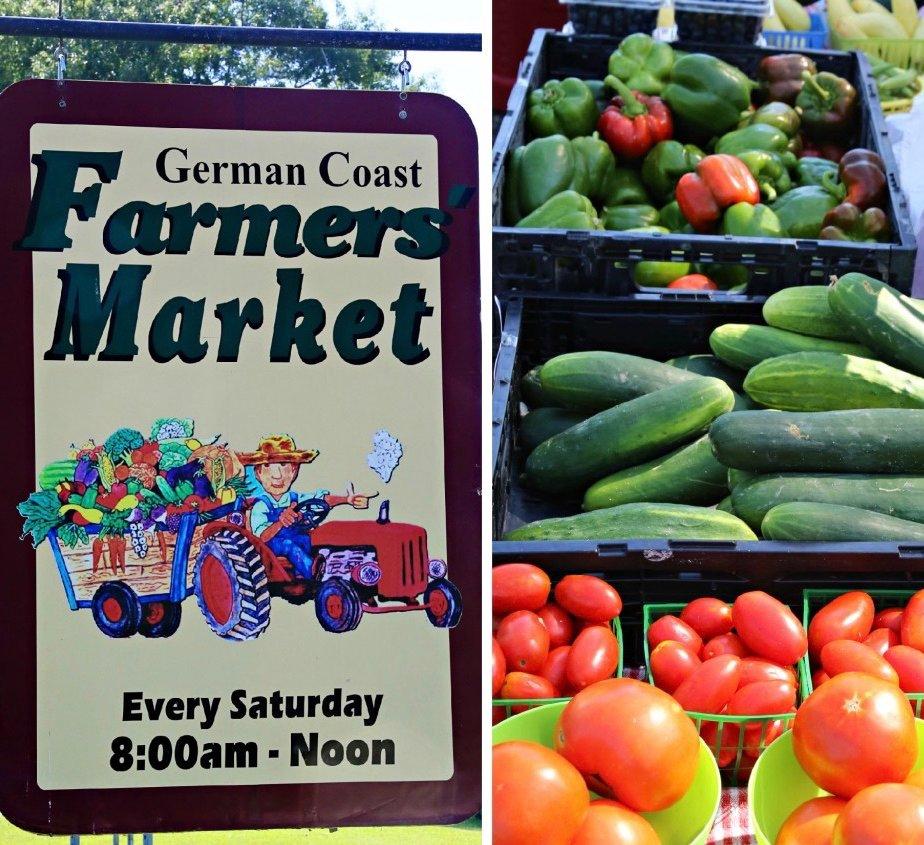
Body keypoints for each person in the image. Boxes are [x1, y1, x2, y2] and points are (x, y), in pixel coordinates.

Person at [238, 435, 375, 579]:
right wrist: (280, 522)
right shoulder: (261, 505)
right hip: (269, 548)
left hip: (297, 539)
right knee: (288, 544)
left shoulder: (296, 498)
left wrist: (347, 499)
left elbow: (322, 500)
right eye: (268, 466)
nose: (277, 475)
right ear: (258, 473)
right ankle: (315, 574)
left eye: (284, 465)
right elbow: (262, 537)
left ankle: (342, 568)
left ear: (294, 470)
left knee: (308, 539)